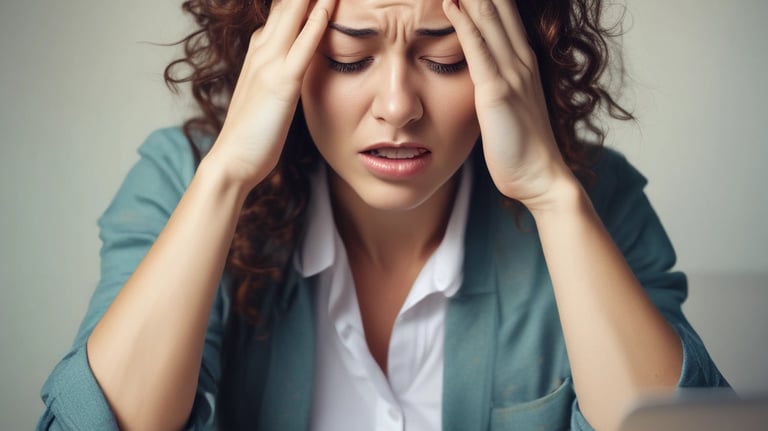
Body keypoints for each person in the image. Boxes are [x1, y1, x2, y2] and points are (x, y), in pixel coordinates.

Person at [37, 0, 729, 429]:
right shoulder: (182, 181)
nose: (398, 107)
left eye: (446, 58)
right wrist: (227, 177)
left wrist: (551, 193)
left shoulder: (595, 201)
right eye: (348, 58)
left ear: (514, 61)